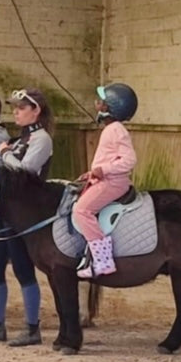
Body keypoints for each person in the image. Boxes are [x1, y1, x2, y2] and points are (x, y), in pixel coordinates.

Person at [0, 87, 54, 347]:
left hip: (25, 213)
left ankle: (32, 328)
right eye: (14, 108)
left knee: (22, 268)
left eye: (21, 108)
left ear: (35, 111)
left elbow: (26, 170)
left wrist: (4, 154)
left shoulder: (41, 139)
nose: (15, 112)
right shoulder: (19, 139)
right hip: (3, 210)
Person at [73, 82, 139, 278]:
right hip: (106, 179)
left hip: (113, 182)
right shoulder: (111, 129)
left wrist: (104, 169)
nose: (97, 103)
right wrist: (93, 172)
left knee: (82, 210)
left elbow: (129, 160)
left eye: (101, 101)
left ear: (110, 107)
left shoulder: (116, 129)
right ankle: (90, 257)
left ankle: (103, 261)